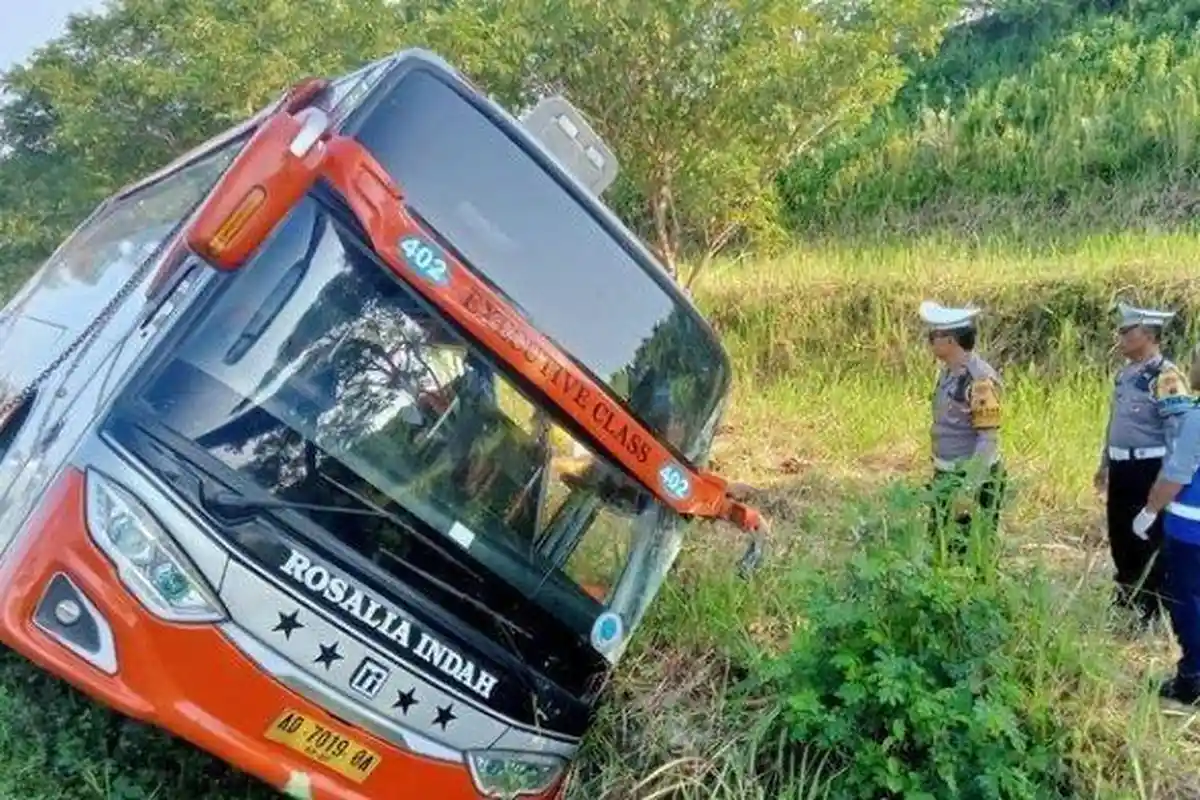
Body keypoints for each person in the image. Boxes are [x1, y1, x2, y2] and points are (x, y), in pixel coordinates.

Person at [1094, 302, 1192, 629]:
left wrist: (1164, 482)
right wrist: (1105, 462)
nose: (1120, 337)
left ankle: (1150, 610)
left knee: (1148, 539)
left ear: (1148, 335)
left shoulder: (1166, 376)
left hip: (1150, 469)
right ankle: (1127, 601)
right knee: (1121, 536)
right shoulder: (1126, 375)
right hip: (1123, 468)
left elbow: (1179, 434)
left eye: (1127, 331)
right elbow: (1115, 423)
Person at [1128, 344, 1200, 705]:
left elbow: (1175, 476)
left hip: (1191, 532)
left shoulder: (1195, 419)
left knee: (1186, 602)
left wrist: (1150, 510)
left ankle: (1192, 679)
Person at [920, 301, 1006, 555]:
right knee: (940, 548)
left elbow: (988, 439)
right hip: (948, 474)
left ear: (950, 340)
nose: (930, 342)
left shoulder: (979, 380)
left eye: (933, 336)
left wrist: (969, 488)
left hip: (970, 478)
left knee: (968, 554)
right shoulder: (950, 374)